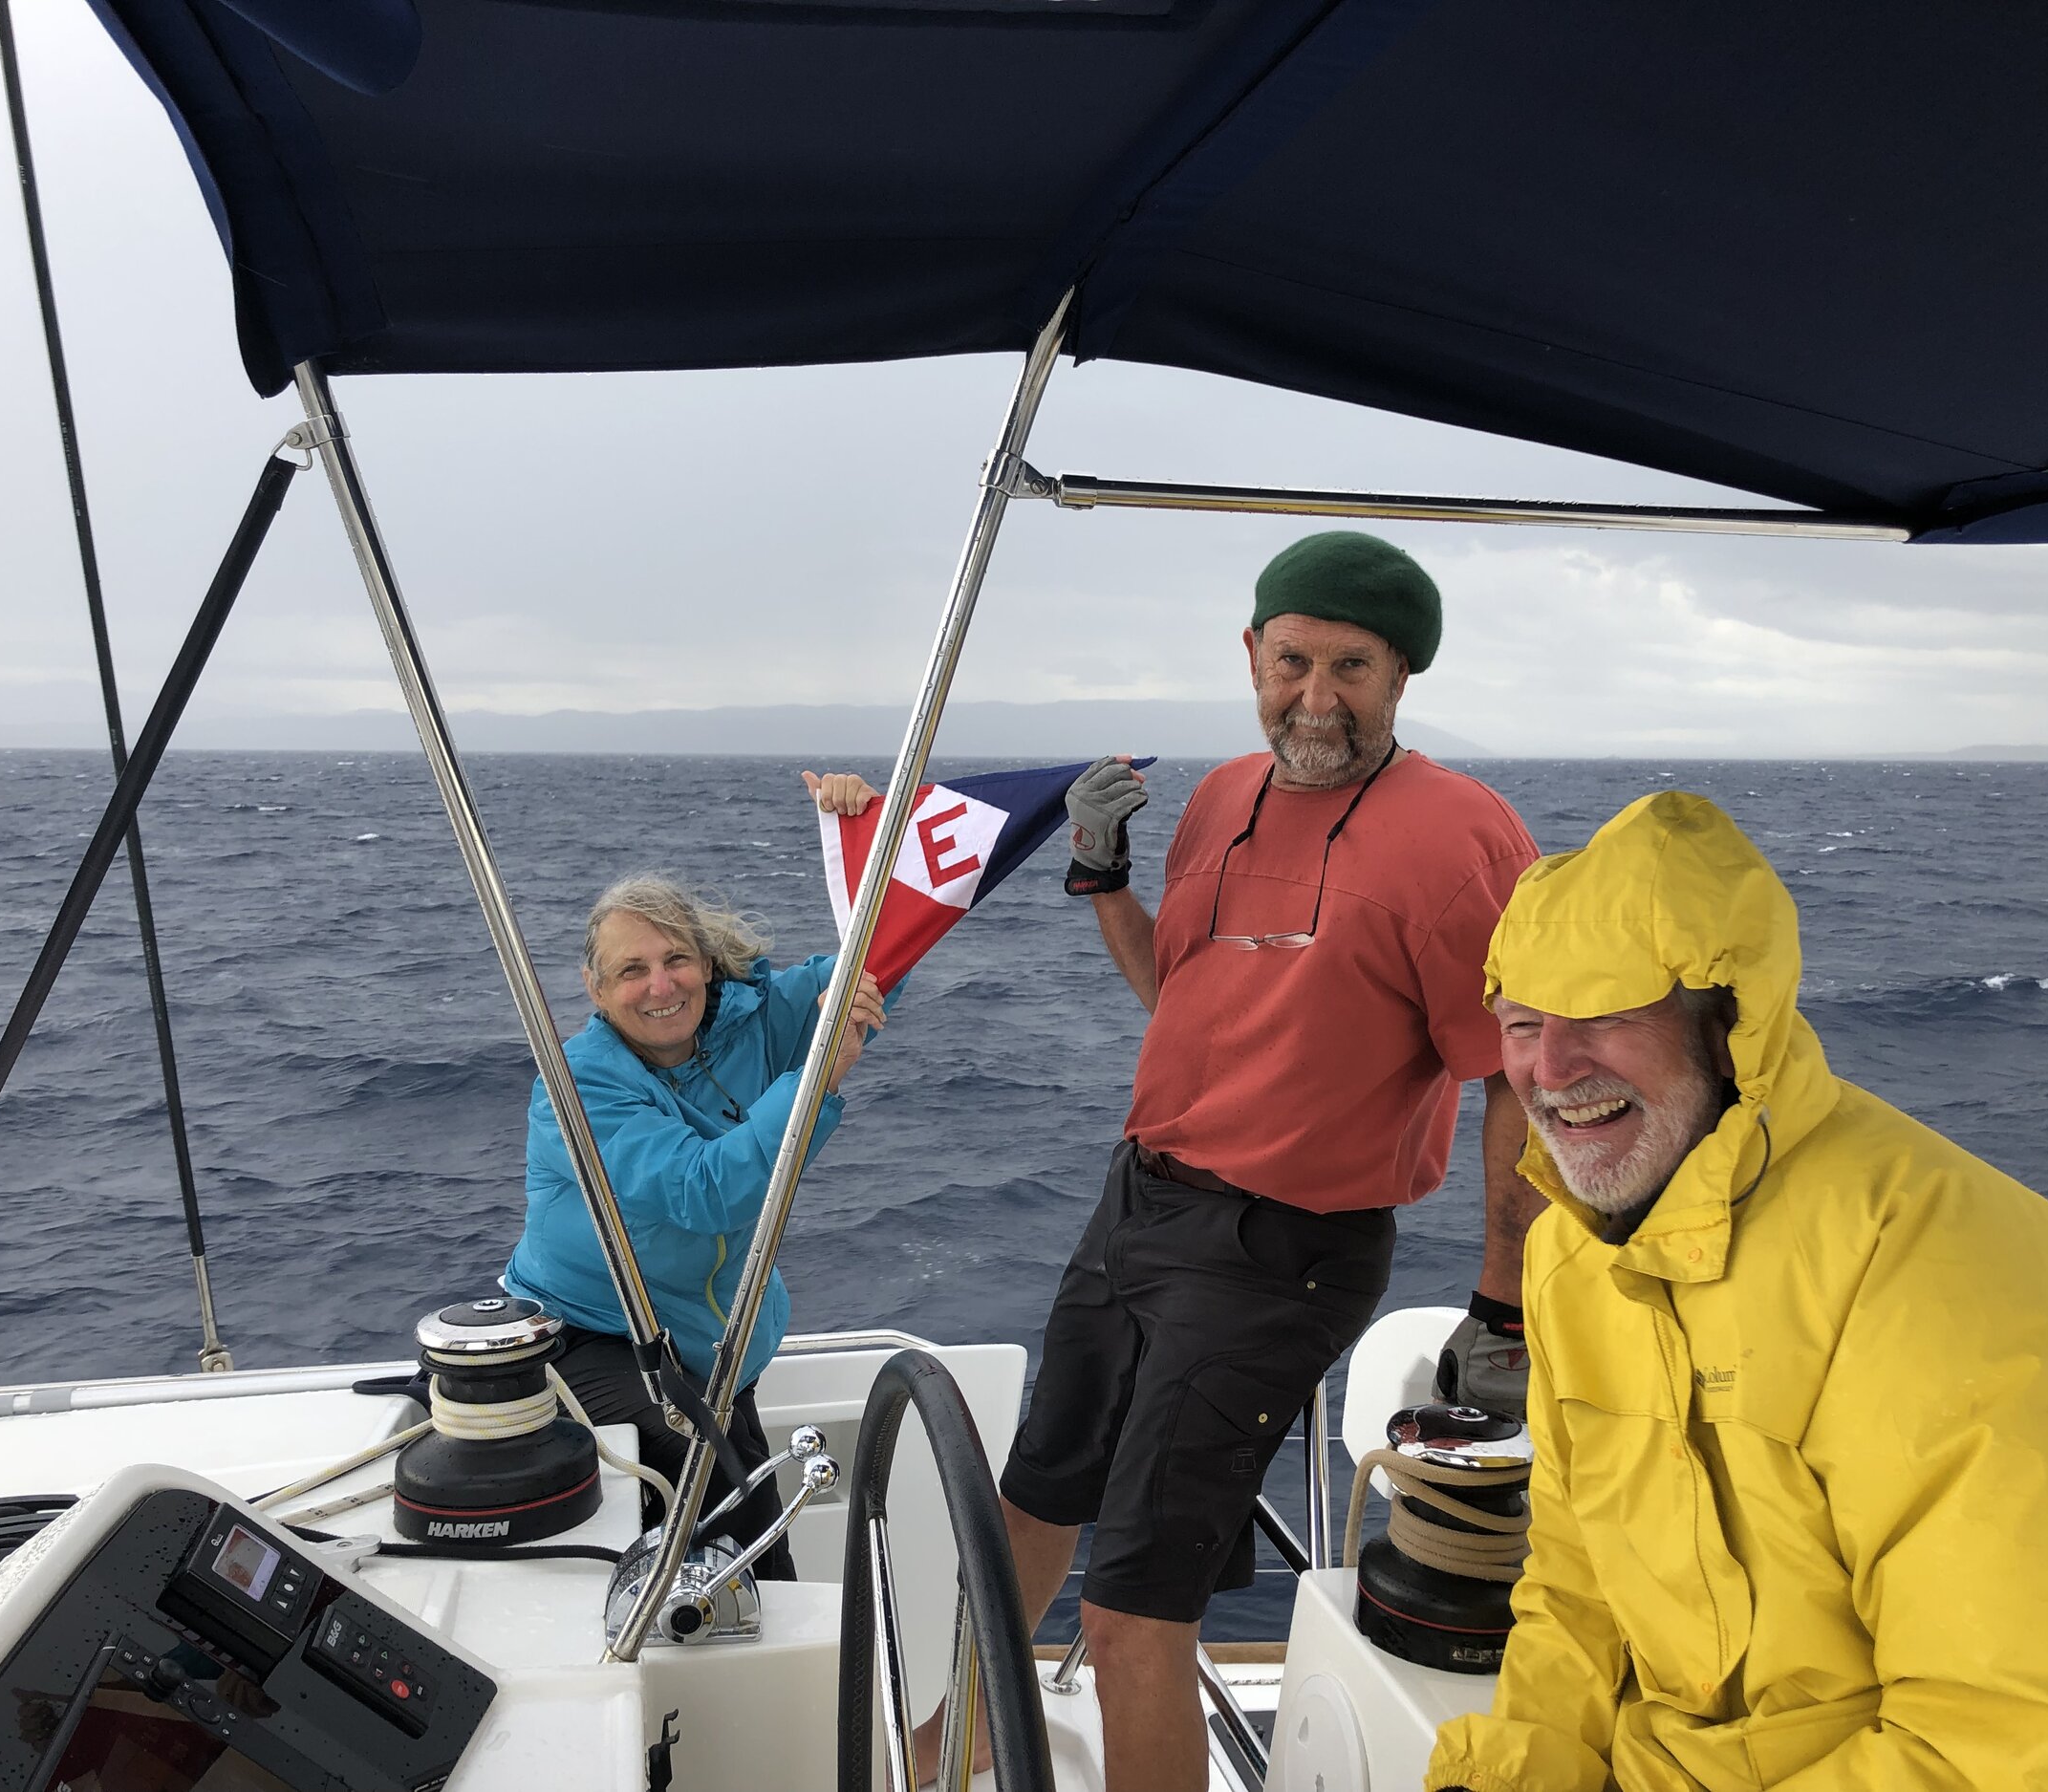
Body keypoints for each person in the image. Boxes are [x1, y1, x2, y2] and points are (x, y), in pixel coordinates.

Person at [1427, 790, 2048, 1792]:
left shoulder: (1950, 1282)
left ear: (1727, 1028)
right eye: (1525, 1022)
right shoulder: (1575, 1258)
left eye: (1608, 1014)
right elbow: (1578, 1591)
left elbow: (2004, 1738)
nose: (1553, 1068)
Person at [921, 531, 1541, 1790]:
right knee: (1030, 1510)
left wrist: (1503, 1298)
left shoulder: (1461, 839)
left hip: (1283, 1253)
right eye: (1293, 659)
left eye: (1353, 666)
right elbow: (1184, 992)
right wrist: (1104, 879)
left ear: (1403, 673)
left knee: (1132, 1609)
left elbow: (1514, 1073)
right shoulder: (1217, 796)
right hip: (1138, 1200)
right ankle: (924, 1769)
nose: (1317, 696)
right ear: (1250, 655)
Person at [502, 771, 888, 1574]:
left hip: (718, 1347)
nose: (660, 983)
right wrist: (818, 1078)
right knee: (742, 1535)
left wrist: (864, 836)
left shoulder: (756, 1017)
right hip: (593, 1335)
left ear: (709, 964)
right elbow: (703, 1191)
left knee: (736, 1516)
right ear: (595, 989)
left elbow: (879, 957)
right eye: (632, 969)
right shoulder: (576, 1081)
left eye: (676, 957)